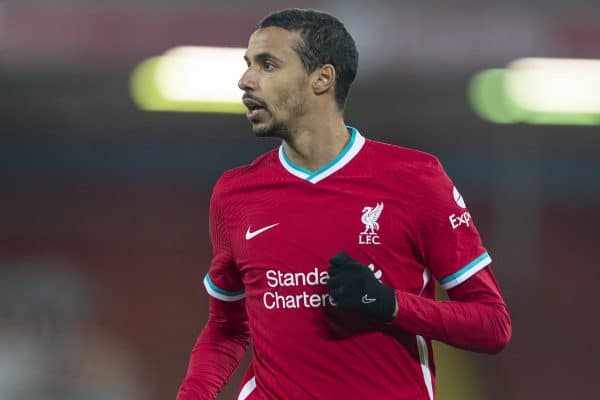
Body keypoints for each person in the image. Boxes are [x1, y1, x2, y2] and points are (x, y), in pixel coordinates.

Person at [177, 8, 511, 400]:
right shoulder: (234, 194)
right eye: (248, 64)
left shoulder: (416, 179)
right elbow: (227, 328)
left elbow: (492, 325)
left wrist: (386, 302)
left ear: (322, 79)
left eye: (267, 65)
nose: (245, 80)